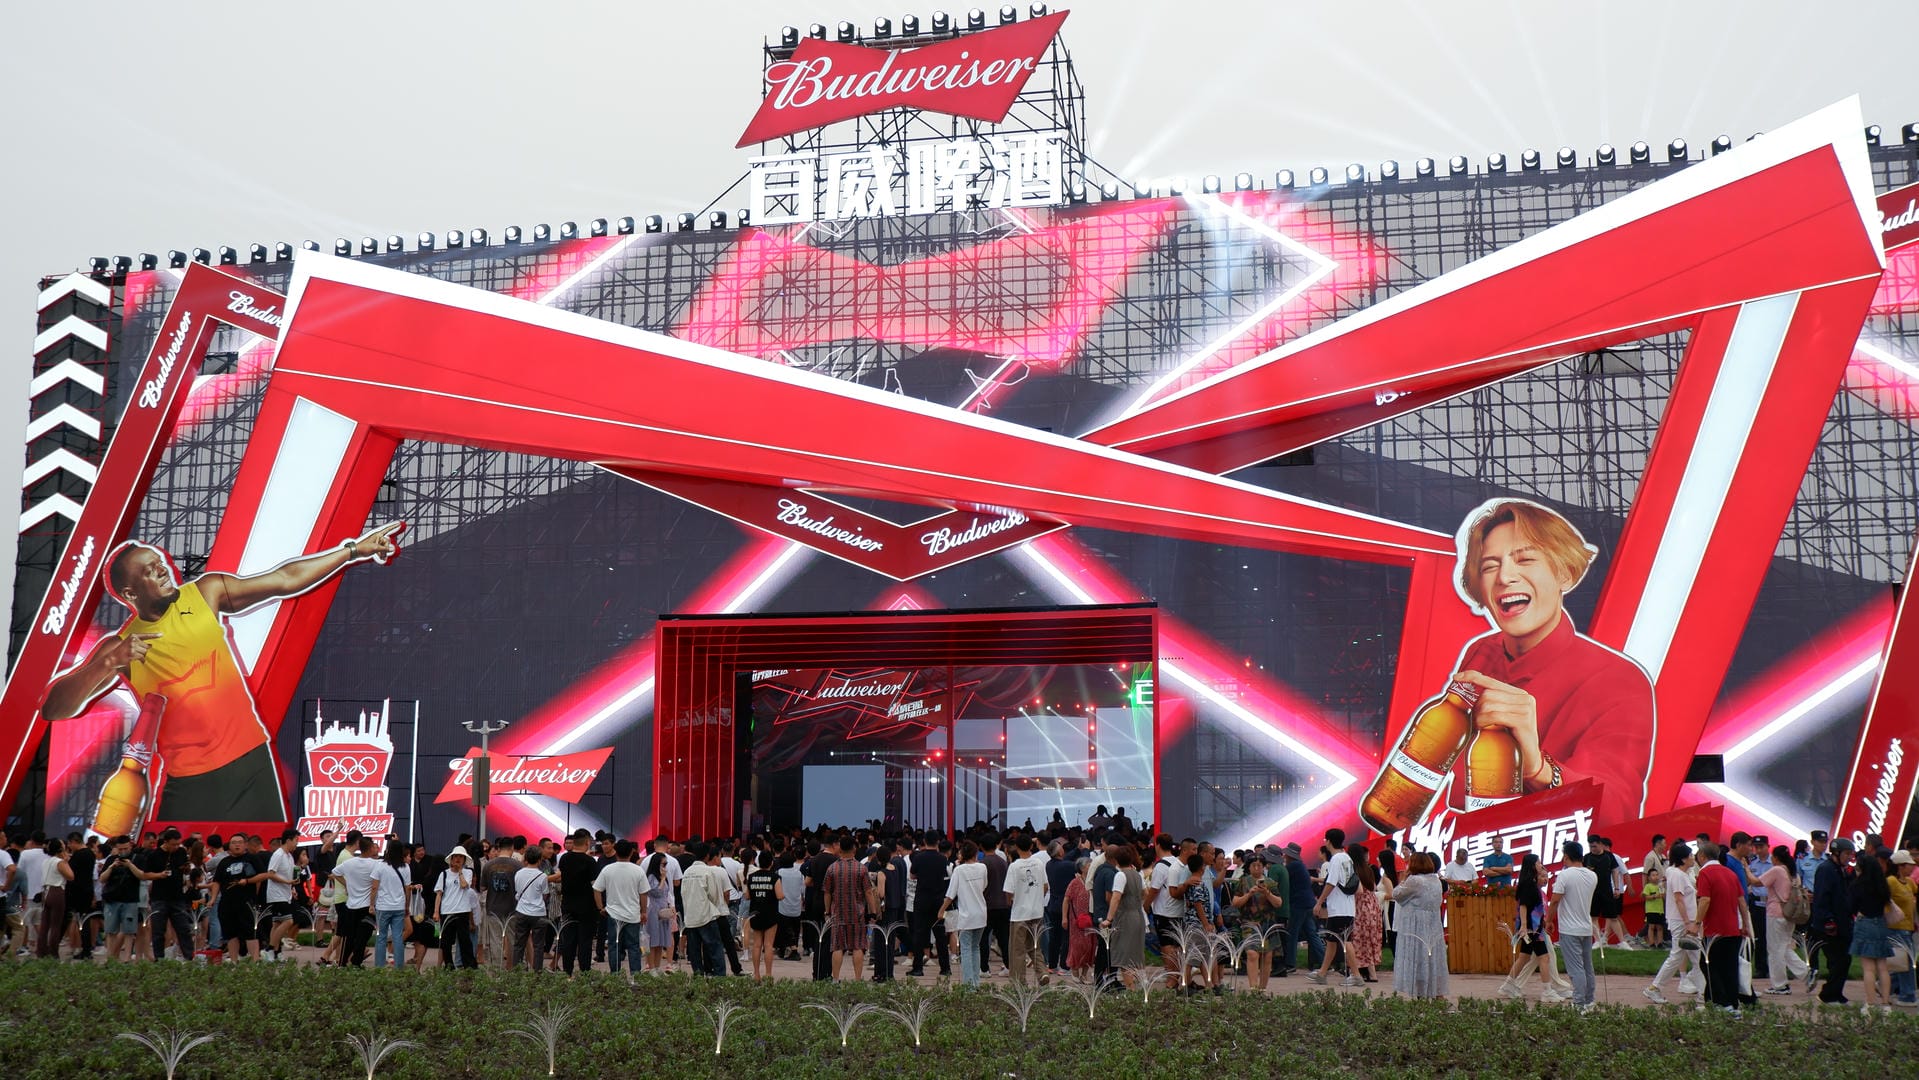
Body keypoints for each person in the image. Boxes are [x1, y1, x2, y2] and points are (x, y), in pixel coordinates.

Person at [44, 525, 404, 825]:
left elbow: (285, 579)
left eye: (161, 563)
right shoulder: (119, 646)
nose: (164, 569)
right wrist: (107, 663)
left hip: (251, 765)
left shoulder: (206, 592)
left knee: (265, 872)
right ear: (129, 593)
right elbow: (55, 708)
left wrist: (353, 550)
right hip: (189, 783)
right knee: (178, 884)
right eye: (150, 571)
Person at [1445, 499, 1657, 828]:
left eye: (1525, 559)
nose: (1505, 576)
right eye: (1489, 566)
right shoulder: (1481, 653)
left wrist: (1538, 769)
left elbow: (1617, 810)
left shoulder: (1618, 679)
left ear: (1564, 573)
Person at [1694, 841, 1753, 1017]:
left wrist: (1696, 922)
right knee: (1729, 967)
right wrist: (1746, 925)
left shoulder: (1705, 873)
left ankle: (1723, 1003)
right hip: (1733, 928)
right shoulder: (1730, 873)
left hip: (1715, 931)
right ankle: (1731, 1004)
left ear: (1702, 856)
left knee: (1709, 965)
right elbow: (1742, 901)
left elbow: (1705, 900)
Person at [1644, 841, 1701, 1005]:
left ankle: (1705, 992)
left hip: (1685, 921)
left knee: (1693, 956)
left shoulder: (1677, 873)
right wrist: (1688, 922)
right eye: (1690, 855)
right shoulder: (1677, 874)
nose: (1693, 858)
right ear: (1683, 859)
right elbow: (1679, 899)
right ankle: (1654, 988)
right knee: (1680, 956)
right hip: (1682, 922)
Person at [1549, 840, 1599, 1012]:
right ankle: (1589, 1000)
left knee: (1576, 968)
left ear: (1566, 856)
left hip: (1569, 929)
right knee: (1587, 966)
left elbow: (1555, 900)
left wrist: (1548, 921)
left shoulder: (1565, 875)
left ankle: (1579, 1004)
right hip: (1586, 927)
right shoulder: (1592, 875)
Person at [1392, 852, 1449, 999]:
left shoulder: (1415, 880)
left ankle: (1420, 994)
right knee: (1432, 959)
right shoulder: (1436, 880)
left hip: (1415, 925)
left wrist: (1403, 879)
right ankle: (1437, 993)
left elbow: (1397, 894)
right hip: (1433, 924)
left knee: (1417, 957)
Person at [1305, 829, 1356, 985]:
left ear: (1328, 841)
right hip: (1346, 906)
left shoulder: (1335, 860)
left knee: (1344, 941)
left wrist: (1319, 902)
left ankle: (1356, 975)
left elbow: (1331, 883)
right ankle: (1322, 973)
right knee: (1332, 941)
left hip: (1338, 908)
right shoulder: (1347, 858)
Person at [1810, 837, 1856, 1005]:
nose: (1849, 857)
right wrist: (1828, 920)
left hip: (1843, 921)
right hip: (1831, 925)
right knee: (1837, 960)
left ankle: (1836, 992)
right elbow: (1822, 897)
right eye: (1846, 854)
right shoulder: (1826, 869)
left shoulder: (1840, 870)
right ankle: (1828, 995)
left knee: (1845, 959)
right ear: (1836, 853)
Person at [935, 840, 989, 987]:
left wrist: (941, 910)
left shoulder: (959, 870)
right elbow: (984, 886)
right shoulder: (982, 867)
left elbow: (950, 894)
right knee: (975, 947)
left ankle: (968, 984)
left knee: (965, 949)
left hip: (966, 916)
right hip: (981, 913)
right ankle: (976, 983)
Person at [1758, 844, 1809, 994]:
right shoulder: (1793, 873)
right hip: (1789, 914)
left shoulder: (1777, 870)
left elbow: (1756, 882)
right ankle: (1806, 973)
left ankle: (1780, 985)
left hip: (1775, 913)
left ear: (1776, 858)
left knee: (1775, 950)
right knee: (1784, 947)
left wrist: (1746, 869)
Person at [1850, 850, 1895, 1014]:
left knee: (1868, 968)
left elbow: (1852, 907)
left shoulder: (1858, 885)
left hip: (1864, 923)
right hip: (1881, 923)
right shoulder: (1882, 885)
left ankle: (1870, 1003)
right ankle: (1885, 1004)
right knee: (1882, 967)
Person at [820, 834, 870, 982]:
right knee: (857, 946)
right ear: (854, 848)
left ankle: (835, 979)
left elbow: (827, 892)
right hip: (858, 914)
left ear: (840, 848)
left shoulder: (832, 868)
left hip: (838, 914)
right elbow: (868, 891)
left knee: (837, 947)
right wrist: (872, 911)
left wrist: (827, 911)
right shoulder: (861, 869)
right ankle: (857, 979)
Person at [1231, 853, 1282, 993]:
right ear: (1249, 867)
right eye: (1254, 865)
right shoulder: (1243, 882)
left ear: (1264, 867)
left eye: (1260, 865)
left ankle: (1262, 988)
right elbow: (1235, 902)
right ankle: (1253, 987)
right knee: (1252, 953)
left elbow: (1278, 903)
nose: (1257, 868)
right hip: (1250, 923)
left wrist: (1267, 893)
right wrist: (1249, 894)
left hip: (1268, 923)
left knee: (1267, 955)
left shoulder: (1270, 883)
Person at [552, 830, 600, 978]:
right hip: (587, 906)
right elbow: (595, 885)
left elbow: (562, 876)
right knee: (584, 941)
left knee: (569, 940)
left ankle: (568, 972)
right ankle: (585, 973)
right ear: (586, 842)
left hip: (567, 905)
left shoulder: (565, 858)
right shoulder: (590, 861)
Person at [209, 834, 264, 961]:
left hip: (246, 902)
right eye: (234, 842)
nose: (237, 845)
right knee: (230, 933)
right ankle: (234, 961)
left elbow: (263, 875)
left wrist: (247, 881)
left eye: (240, 842)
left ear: (245, 844)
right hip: (227, 903)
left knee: (251, 932)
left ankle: (255, 961)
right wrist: (212, 899)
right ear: (229, 845)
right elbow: (217, 882)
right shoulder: (224, 862)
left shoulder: (251, 858)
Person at [1004, 834, 1049, 987]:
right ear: (1031, 846)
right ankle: (1042, 972)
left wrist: (1011, 902)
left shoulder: (1014, 866)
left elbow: (1009, 891)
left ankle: (1019, 981)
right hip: (1037, 912)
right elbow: (1045, 886)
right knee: (1034, 945)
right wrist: (1037, 898)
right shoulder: (1038, 863)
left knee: (1017, 950)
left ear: (1016, 847)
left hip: (1019, 914)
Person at [681, 842, 730, 977]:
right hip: (706, 915)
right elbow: (714, 896)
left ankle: (698, 977)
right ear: (708, 855)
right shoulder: (708, 871)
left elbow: (683, 893)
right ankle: (720, 977)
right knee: (715, 948)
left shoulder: (687, 872)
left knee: (695, 951)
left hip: (690, 917)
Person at [905, 835, 950, 977]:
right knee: (940, 935)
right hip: (938, 901)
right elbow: (945, 876)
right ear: (937, 842)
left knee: (919, 934)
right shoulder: (943, 859)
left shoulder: (918, 858)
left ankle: (918, 968)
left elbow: (912, 876)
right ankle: (945, 968)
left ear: (924, 842)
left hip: (921, 900)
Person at [1102, 844, 1146, 983]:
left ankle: (1130, 988)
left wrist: (1109, 919)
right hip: (1138, 915)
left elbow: (1116, 897)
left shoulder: (1120, 875)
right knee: (1134, 953)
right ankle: (1136, 987)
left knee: (1124, 955)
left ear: (1116, 860)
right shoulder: (1137, 874)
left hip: (1125, 917)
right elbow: (1146, 892)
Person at [97, 835, 142, 962]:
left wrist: (130, 865)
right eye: (120, 849)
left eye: (125, 849)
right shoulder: (111, 859)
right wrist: (112, 867)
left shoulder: (137, 858)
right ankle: (111, 957)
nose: (123, 852)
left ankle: (127, 958)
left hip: (130, 899)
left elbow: (142, 875)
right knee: (110, 930)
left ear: (130, 846)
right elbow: (102, 879)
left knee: (129, 931)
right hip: (112, 899)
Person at [434, 845, 480, 970]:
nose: (458, 859)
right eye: (456, 857)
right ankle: (449, 966)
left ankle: (469, 966)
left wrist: (460, 872)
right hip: (447, 911)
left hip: (462, 911)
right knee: (446, 942)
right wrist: (436, 912)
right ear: (451, 859)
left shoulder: (468, 872)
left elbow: (465, 885)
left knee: (465, 940)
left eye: (461, 857)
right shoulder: (444, 874)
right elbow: (439, 894)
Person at [507, 847, 550, 972]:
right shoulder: (542, 876)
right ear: (539, 860)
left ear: (525, 859)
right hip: (538, 913)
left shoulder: (518, 873)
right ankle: (537, 973)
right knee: (538, 946)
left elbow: (517, 890)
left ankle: (516, 973)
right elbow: (545, 894)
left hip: (521, 911)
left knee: (519, 944)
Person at [368, 842, 410, 970]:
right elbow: (407, 889)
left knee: (381, 937)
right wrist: (407, 906)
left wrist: (371, 904)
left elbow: (374, 887)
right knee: (397, 937)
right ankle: (399, 966)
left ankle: (379, 967)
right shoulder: (406, 867)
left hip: (382, 907)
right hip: (399, 907)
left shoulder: (380, 866)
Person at [742, 848, 781, 981]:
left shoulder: (751, 877)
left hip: (755, 913)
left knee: (757, 944)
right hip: (770, 914)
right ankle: (768, 974)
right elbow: (780, 896)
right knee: (769, 945)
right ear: (771, 863)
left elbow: (747, 896)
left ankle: (756, 974)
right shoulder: (775, 877)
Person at [1347, 844, 1383, 986]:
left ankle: (1355, 971)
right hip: (1372, 906)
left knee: (1358, 939)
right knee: (1370, 939)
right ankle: (1372, 973)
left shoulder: (1353, 869)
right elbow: (1373, 887)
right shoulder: (1368, 868)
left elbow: (1359, 890)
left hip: (1360, 907)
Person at [1886, 850, 1917, 1007]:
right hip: (1896, 928)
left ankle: (1887, 985)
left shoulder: (1910, 883)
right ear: (1900, 866)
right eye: (1908, 865)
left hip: (1908, 928)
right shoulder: (1891, 882)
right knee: (1906, 963)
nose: (1912, 868)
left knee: (1903, 962)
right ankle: (1908, 995)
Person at [34, 839, 72, 958]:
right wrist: (66, 861)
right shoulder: (60, 862)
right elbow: (71, 876)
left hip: (46, 892)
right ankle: (53, 953)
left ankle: (41, 951)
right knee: (56, 925)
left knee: (45, 924)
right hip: (57, 891)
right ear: (60, 848)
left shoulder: (46, 861)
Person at [641, 850, 678, 975]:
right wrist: (662, 879)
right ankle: (651, 967)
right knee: (653, 941)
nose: (665, 867)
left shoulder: (664, 877)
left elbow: (666, 893)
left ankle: (657, 967)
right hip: (653, 911)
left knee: (660, 942)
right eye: (663, 864)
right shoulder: (651, 877)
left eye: (666, 864)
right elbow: (655, 892)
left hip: (663, 911)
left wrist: (671, 906)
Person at [1284, 842, 1317, 975]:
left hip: (1298, 904)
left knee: (1292, 933)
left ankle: (1290, 963)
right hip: (1308, 903)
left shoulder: (1292, 866)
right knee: (1311, 934)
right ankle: (1323, 960)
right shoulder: (1301, 865)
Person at [1062, 857, 1098, 982]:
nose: (1092, 866)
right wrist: (1064, 918)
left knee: (1090, 945)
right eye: (1089, 865)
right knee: (1077, 945)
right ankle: (1075, 971)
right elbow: (1066, 900)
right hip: (1076, 920)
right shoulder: (1075, 882)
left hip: (1091, 919)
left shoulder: (1093, 881)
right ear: (1082, 868)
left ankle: (1084, 974)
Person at [1642, 835, 1669, 951]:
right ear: (1657, 844)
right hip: (1653, 890)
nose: (1665, 845)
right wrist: (1645, 889)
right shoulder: (1650, 857)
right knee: (1652, 920)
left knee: (1660, 918)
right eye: (1664, 843)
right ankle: (1646, 938)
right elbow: (1644, 874)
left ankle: (1660, 940)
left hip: (1662, 890)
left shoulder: (1662, 856)